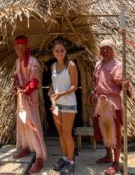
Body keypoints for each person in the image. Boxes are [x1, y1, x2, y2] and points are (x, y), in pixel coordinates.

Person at [90, 39, 132, 175]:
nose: (105, 50)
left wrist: (126, 86)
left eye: (108, 48)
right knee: (103, 130)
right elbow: (95, 81)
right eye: (102, 48)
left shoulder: (117, 65)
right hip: (100, 102)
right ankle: (108, 156)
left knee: (114, 133)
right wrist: (93, 92)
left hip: (112, 102)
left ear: (113, 50)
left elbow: (122, 84)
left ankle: (116, 162)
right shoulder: (98, 64)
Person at [12, 35, 47, 174]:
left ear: (26, 47)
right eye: (17, 48)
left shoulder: (33, 62)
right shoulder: (17, 61)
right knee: (22, 124)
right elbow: (19, 76)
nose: (19, 50)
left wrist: (25, 90)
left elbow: (35, 80)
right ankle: (26, 147)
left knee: (33, 125)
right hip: (21, 96)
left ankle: (40, 156)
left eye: (21, 47)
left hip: (29, 97)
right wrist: (16, 81)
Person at [48, 38, 78, 174]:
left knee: (67, 133)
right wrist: (50, 90)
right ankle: (65, 157)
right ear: (53, 52)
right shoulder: (53, 66)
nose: (59, 53)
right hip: (56, 105)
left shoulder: (70, 65)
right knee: (60, 133)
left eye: (62, 50)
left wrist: (61, 94)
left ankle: (71, 162)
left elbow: (75, 86)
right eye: (57, 51)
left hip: (69, 104)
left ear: (65, 51)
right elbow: (53, 83)